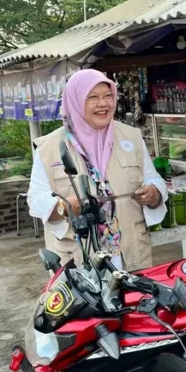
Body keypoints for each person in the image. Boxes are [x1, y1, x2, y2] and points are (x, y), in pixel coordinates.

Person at [28, 69, 168, 271]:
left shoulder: (132, 137)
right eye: (92, 97)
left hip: (131, 256)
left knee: (134, 303)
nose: (103, 104)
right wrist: (62, 206)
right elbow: (35, 199)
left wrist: (154, 193)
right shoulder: (49, 147)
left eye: (108, 96)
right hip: (78, 261)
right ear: (75, 101)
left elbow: (154, 179)